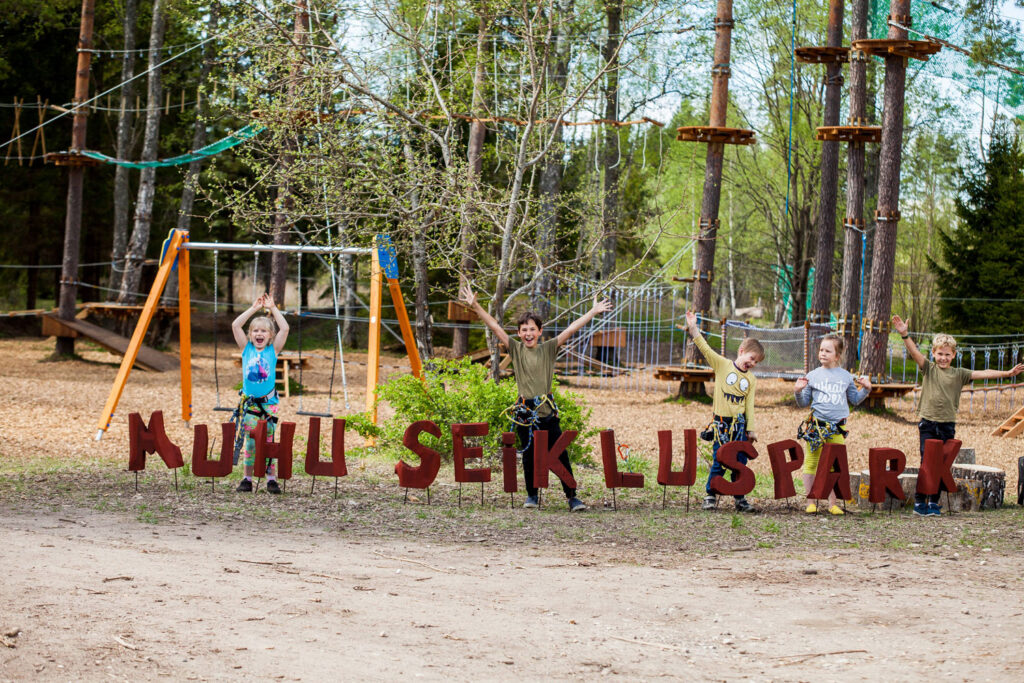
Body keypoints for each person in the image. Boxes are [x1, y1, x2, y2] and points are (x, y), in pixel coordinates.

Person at [460, 284, 611, 511]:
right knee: (529, 456)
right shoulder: (516, 349)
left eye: (532, 329)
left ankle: (572, 497)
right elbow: (495, 327)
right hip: (525, 412)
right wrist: (476, 306)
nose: (528, 333)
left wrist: (592, 312)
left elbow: (570, 329)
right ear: (519, 334)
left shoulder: (549, 349)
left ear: (540, 331)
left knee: (560, 454)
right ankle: (532, 496)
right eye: (524, 330)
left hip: (547, 410)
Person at [893, 315, 1024, 516]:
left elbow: (983, 373)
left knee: (941, 465)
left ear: (953, 355)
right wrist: (904, 334)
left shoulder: (959, 374)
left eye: (947, 354)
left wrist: (1007, 374)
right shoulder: (929, 368)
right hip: (928, 424)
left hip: (947, 426)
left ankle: (934, 502)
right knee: (927, 463)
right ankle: (920, 502)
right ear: (934, 354)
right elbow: (914, 352)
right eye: (939, 354)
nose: (943, 358)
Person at [683, 311, 765, 513]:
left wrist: (751, 429)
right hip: (721, 424)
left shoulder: (751, 380)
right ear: (741, 350)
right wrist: (693, 328)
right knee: (720, 458)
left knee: (740, 462)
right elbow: (705, 348)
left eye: (756, 363)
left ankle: (740, 497)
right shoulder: (723, 365)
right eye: (752, 358)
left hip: (740, 427)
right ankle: (710, 494)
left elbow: (749, 406)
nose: (752, 364)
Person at [794, 333, 871, 515]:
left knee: (834, 465)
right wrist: (797, 391)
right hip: (817, 428)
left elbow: (855, 399)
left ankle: (832, 503)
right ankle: (811, 501)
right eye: (821, 350)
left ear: (837, 356)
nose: (823, 353)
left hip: (837, 428)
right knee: (811, 463)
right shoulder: (812, 376)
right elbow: (804, 402)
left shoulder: (845, 376)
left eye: (828, 351)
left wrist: (866, 389)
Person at [231, 293, 290, 494]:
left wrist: (273, 308)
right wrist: (254, 308)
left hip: (268, 403)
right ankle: (247, 478)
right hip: (250, 403)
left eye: (263, 331)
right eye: (255, 330)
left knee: (269, 441)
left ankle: (271, 479)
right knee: (250, 440)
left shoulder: (273, 351)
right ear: (250, 335)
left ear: (270, 336)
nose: (259, 333)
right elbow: (235, 325)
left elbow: (285, 328)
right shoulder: (246, 349)